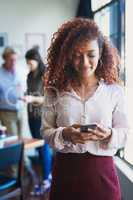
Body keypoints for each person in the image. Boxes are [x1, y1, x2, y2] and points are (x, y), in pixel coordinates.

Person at [41, 18, 129, 200]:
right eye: (76, 54)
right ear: (66, 55)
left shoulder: (114, 91)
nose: (84, 62)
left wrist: (109, 134)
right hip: (66, 174)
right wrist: (65, 134)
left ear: (101, 53)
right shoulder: (54, 91)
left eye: (91, 54)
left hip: (102, 176)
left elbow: (127, 133)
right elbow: (46, 132)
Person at [24, 47, 53, 195]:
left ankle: (47, 178)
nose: (28, 66)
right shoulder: (29, 75)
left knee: (44, 148)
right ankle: (45, 176)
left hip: (42, 116)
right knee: (39, 148)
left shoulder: (45, 74)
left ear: (37, 60)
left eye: (30, 63)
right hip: (31, 116)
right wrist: (26, 96)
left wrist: (32, 98)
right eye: (27, 63)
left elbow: (48, 98)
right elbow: (30, 92)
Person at [0, 47, 24, 136]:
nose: (14, 62)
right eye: (11, 60)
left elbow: (23, 88)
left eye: (15, 60)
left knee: (21, 140)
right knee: (12, 141)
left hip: (20, 110)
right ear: (5, 59)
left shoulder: (19, 71)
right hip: (6, 113)